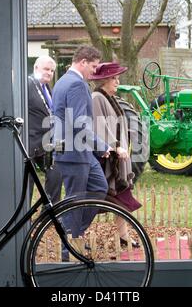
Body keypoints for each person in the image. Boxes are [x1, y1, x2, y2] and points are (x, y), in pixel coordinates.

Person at [52, 45, 112, 239]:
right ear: (83, 62)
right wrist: (101, 146)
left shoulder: (62, 81)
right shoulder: (77, 84)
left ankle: (73, 231)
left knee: (99, 188)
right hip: (74, 153)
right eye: (93, 66)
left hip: (78, 151)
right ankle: (69, 242)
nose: (95, 71)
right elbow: (79, 123)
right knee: (76, 201)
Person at [89, 62, 142, 248]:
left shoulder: (111, 98)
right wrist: (116, 147)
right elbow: (98, 127)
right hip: (107, 160)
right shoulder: (97, 98)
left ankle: (124, 236)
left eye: (118, 77)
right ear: (103, 80)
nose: (117, 81)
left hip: (118, 161)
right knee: (100, 200)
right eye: (114, 77)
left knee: (122, 197)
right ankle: (75, 235)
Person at [27, 56, 62, 204]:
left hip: (47, 142)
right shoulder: (27, 84)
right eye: (46, 69)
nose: (49, 73)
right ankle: (23, 217)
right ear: (36, 68)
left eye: (52, 70)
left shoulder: (47, 88)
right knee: (27, 182)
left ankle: (49, 213)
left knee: (57, 172)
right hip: (30, 141)